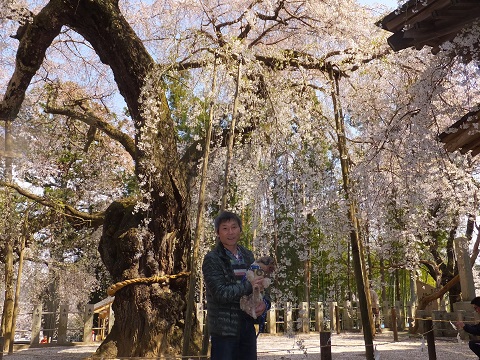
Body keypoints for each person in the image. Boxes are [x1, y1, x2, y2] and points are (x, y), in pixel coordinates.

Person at [202, 211, 271, 360]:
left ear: (240, 229)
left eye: (234, 227)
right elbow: (221, 293)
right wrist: (248, 285)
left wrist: (265, 304)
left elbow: (261, 284)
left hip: (247, 326)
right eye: (225, 228)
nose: (230, 232)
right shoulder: (212, 259)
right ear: (218, 233)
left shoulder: (248, 255)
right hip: (224, 330)